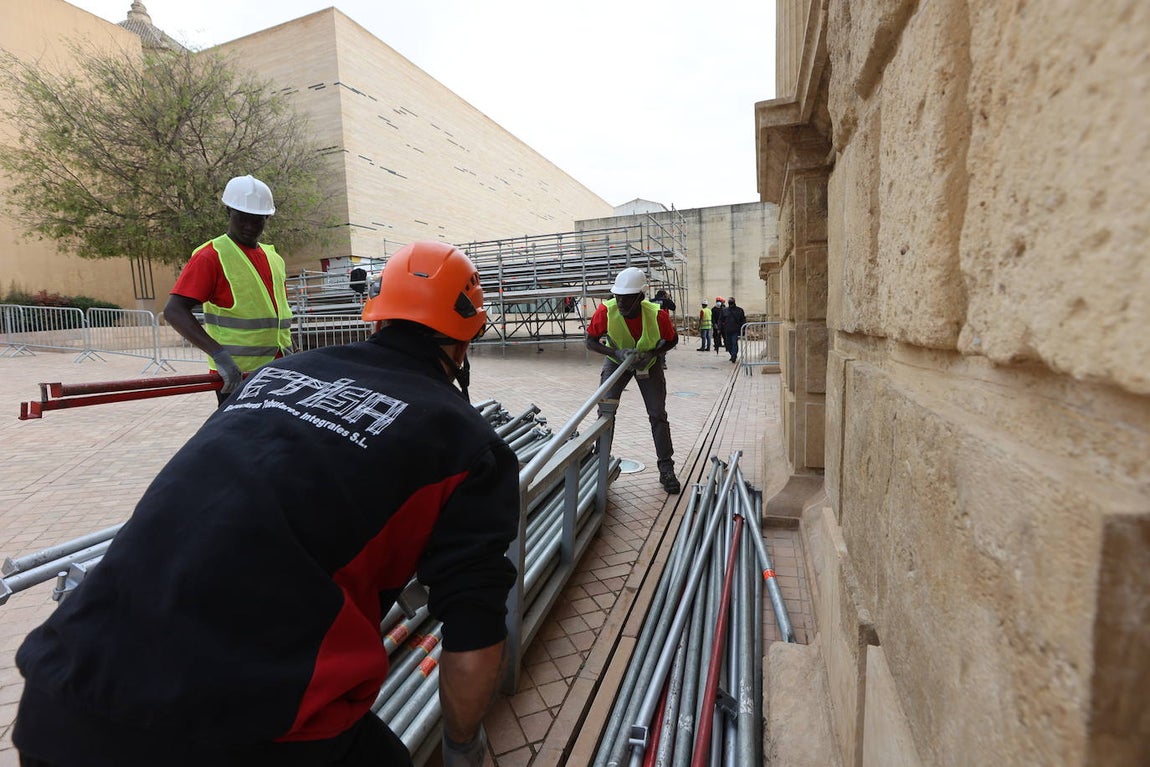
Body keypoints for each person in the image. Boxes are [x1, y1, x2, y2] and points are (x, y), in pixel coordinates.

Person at [14, 241, 518, 767]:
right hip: (245, 725)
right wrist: (464, 745)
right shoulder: (464, 441)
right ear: (466, 338)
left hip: (63, 697)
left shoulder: (270, 379)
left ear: (376, 320)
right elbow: (473, 631)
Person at [164, 174, 294, 406]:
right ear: (228, 213)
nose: (249, 226)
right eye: (242, 218)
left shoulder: (274, 258)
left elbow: (278, 316)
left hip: (278, 368)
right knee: (242, 437)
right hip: (236, 373)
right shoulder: (211, 256)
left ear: (266, 218)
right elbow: (175, 310)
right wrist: (218, 354)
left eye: (257, 219)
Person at [585, 267, 680, 494]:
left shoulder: (657, 314)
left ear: (640, 297)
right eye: (618, 297)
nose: (621, 304)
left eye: (627, 300)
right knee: (606, 412)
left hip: (647, 363)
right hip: (617, 361)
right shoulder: (606, 311)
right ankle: (601, 464)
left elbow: (672, 339)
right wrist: (616, 354)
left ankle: (666, 468)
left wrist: (653, 354)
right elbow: (590, 341)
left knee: (657, 414)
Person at [723, 296, 748, 363]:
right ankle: (732, 354)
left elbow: (743, 320)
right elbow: (721, 320)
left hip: (735, 330)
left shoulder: (739, 310)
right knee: (728, 344)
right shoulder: (724, 310)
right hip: (727, 330)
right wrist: (720, 328)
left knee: (734, 343)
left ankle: (734, 356)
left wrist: (743, 329)